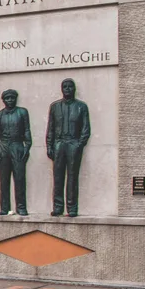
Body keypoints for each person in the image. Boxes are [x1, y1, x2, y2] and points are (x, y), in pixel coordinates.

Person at [47, 78, 90, 217]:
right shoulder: (55, 106)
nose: (67, 89)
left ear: (74, 89)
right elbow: (51, 129)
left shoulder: (81, 106)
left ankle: (72, 208)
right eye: (64, 86)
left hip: (73, 143)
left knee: (72, 177)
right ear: (61, 89)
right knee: (58, 177)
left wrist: (79, 144)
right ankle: (58, 207)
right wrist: (49, 146)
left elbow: (86, 128)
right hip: (59, 144)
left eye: (70, 86)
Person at [0, 89, 31, 216]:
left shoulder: (22, 112)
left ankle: (21, 207)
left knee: (19, 178)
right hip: (4, 147)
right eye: (7, 98)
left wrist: (27, 147)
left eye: (12, 98)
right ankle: (4, 207)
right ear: (3, 100)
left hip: (17, 145)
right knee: (4, 179)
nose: (10, 100)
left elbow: (27, 131)